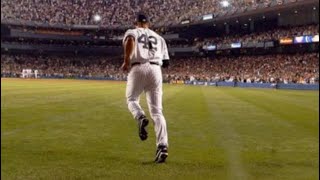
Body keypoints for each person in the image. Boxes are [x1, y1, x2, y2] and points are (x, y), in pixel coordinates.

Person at [121, 13, 170, 163]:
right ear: (148, 23)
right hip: (156, 70)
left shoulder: (133, 31)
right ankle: (162, 147)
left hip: (138, 67)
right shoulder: (159, 37)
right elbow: (167, 63)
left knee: (131, 99)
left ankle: (140, 116)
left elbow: (130, 40)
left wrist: (126, 60)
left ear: (135, 22)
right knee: (157, 112)